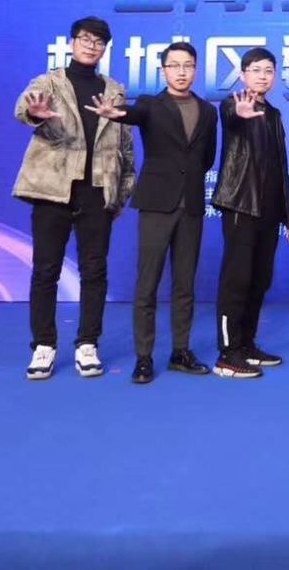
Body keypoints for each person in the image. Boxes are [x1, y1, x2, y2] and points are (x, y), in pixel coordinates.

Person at [12, 16, 134, 381]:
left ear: (105, 49)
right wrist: (34, 113)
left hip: (97, 192)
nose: (91, 46)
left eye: (99, 42)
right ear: (72, 42)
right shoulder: (49, 82)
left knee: (95, 271)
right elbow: (23, 107)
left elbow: (125, 146)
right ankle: (43, 346)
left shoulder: (114, 89)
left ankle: (87, 344)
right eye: (85, 39)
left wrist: (121, 193)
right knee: (45, 270)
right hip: (53, 190)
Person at [88, 41, 217, 384]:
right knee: (147, 284)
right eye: (174, 65)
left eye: (187, 65)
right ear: (163, 70)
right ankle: (144, 357)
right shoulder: (150, 104)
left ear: (196, 69)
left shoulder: (208, 110)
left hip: (191, 205)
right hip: (157, 203)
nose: (181, 72)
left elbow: (207, 158)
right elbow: (131, 114)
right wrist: (116, 113)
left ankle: (180, 352)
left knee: (185, 284)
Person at [211, 47, 289, 378]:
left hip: (269, 210)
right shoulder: (233, 103)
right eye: (256, 70)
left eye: (268, 71)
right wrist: (240, 113)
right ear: (243, 74)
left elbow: (280, 165)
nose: (263, 76)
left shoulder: (273, 114)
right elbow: (232, 118)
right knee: (237, 279)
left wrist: (288, 213)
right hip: (240, 203)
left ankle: (246, 344)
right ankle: (227, 353)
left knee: (260, 279)